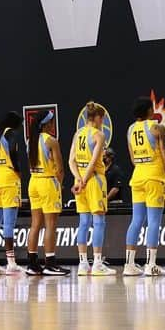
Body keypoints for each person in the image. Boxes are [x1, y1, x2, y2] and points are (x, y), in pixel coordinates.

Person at [124, 97, 165, 276]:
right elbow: (164, 155)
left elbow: (133, 159)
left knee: (136, 220)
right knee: (154, 222)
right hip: (154, 176)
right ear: (150, 111)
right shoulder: (157, 128)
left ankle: (129, 264)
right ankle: (151, 264)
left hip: (138, 176)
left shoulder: (130, 130)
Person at [69, 101, 114, 276]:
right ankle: (97, 263)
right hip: (94, 180)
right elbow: (94, 161)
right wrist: (85, 180)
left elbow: (71, 161)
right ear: (97, 118)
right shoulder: (98, 135)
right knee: (99, 222)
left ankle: (82, 264)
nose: (102, 122)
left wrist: (79, 179)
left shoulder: (78, 133)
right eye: (102, 119)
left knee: (83, 222)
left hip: (79, 179)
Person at [26, 109, 67, 276]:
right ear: (46, 124)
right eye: (51, 122)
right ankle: (50, 263)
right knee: (51, 225)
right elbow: (60, 169)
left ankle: (32, 263)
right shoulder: (51, 141)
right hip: (47, 181)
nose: (52, 125)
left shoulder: (31, 140)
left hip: (33, 181)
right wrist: (59, 185)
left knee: (35, 224)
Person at [0, 111, 24, 275]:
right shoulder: (11, 133)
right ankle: (11, 263)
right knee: (8, 223)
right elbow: (14, 153)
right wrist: (17, 169)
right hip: (8, 178)